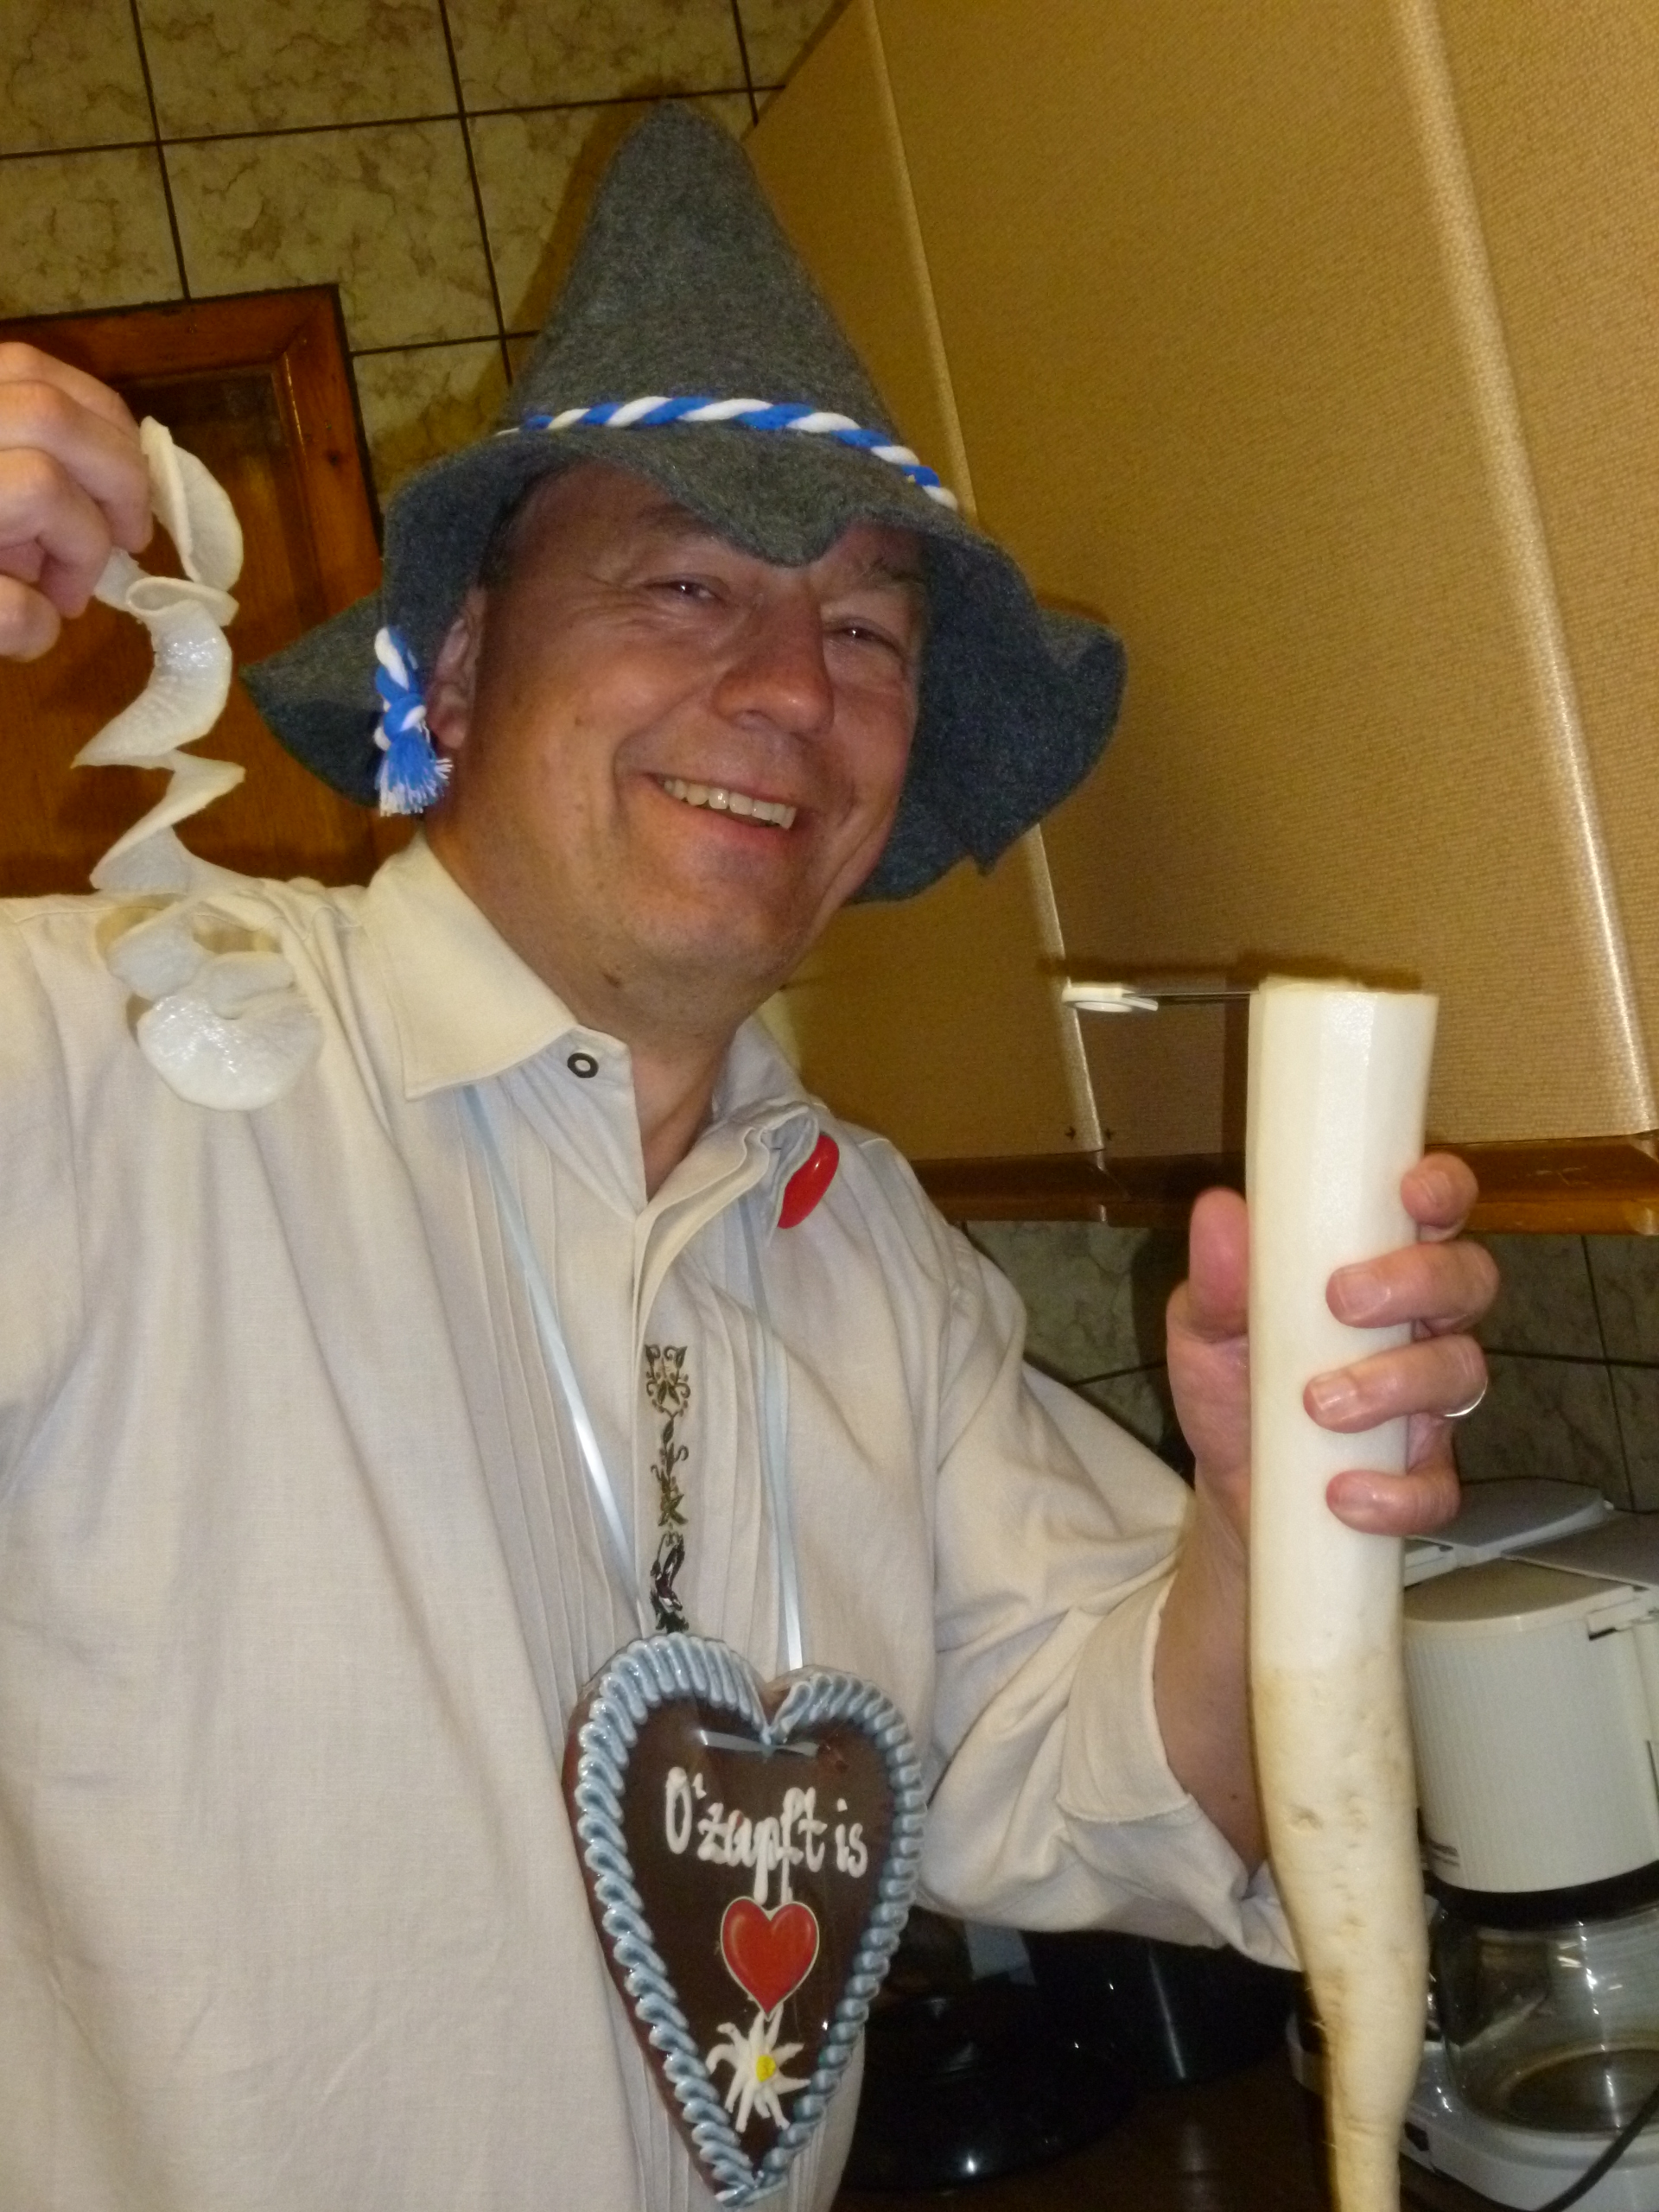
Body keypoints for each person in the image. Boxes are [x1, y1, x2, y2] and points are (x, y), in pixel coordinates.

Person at [0, 109, 1494, 2212]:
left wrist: (1277, 1524)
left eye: (867, 631)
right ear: (458, 664)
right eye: (688, 580)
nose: (791, 686)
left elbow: (1140, 1774)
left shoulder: (873, 1262)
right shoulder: (101, 1063)